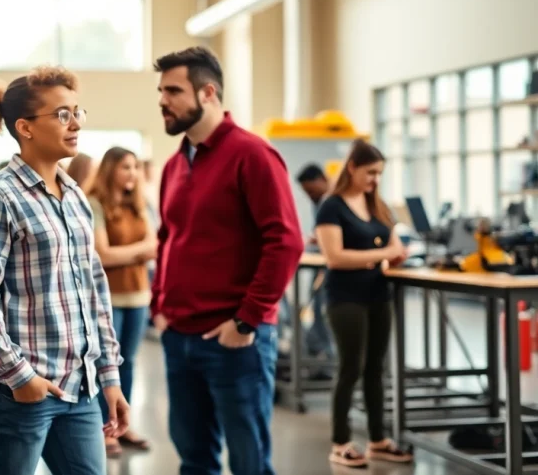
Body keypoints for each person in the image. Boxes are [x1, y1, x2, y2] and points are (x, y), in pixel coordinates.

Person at [0, 67, 128, 475]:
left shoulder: (75, 197)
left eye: (77, 112)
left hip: (79, 388)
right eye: (62, 114)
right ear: (25, 127)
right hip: (18, 391)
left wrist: (109, 375)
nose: (75, 124)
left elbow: (94, 292)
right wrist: (21, 376)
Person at [151, 46, 304, 475]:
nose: (162, 100)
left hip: (235, 340)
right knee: (194, 459)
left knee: (249, 462)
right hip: (179, 336)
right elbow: (167, 238)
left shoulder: (252, 154)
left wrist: (247, 321)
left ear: (208, 93)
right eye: (161, 91)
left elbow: (285, 241)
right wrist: (159, 304)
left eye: (173, 91)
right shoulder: (174, 164)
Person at [314, 140, 412, 468]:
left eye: (379, 173)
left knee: (375, 369)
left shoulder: (377, 205)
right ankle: (340, 442)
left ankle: (378, 440)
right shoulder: (331, 206)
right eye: (370, 172)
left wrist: (393, 256)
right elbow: (335, 257)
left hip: (377, 294)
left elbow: (395, 245)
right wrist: (383, 253)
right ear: (352, 167)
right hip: (345, 297)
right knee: (350, 367)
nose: (375, 179)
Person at [88, 147, 156, 457]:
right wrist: (139, 252)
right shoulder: (95, 204)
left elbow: (155, 245)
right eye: (126, 167)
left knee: (128, 361)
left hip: (139, 295)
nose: (132, 173)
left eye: (135, 167)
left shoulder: (140, 205)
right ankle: (104, 428)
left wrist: (127, 254)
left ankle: (122, 425)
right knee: (107, 364)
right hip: (108, 298)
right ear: (110, 170)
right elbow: (102, 255)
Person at [294, 162, 335, 364]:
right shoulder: (319, 202)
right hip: (321, 265)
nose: (310, 196)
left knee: (324, 311)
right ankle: (321, 354)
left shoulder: (334, 202)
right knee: (317, 309)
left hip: (333, 269)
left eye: (311, 190)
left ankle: (329, 357)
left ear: (322, 180)